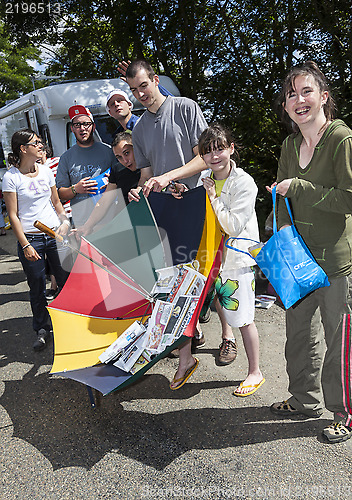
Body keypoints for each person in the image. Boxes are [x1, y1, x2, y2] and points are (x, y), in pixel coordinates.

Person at [267, 61, 352, 443]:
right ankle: (304, 400)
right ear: (286, 106)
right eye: (291, 94)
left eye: (306, 91)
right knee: (299, 334)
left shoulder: (341, 139)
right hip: (298, 261)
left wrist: (299, 188)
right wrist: (284, 237)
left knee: (340, 340)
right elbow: (283, 203)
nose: (298, 99)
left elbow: (349, 198)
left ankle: (344, 412)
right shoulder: (289, 145)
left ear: (323, 97)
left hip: (336, 261)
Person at [124, 60, 208, 388]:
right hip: (161, 206)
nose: (139, 94)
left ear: (155, 80)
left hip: (192, 203)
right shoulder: (140, 127)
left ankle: (203, 347)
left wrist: (172, 178)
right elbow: (146, 174)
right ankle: (183, 355)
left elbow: (204, 158)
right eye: (133, 90)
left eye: (143, 86)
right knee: (165, 284)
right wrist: (139, 189)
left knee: (195, 279)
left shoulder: (186, 107)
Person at [192, 123, 264, 396]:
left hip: (237, 259)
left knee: (244, 318)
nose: (214, 156)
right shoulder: (206, 178)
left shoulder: (244, 182)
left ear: (231, 148)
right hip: (213, 258)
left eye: (220, 149)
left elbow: (233, 225)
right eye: (208, 151)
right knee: (225, 309)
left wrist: (213, 197)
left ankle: (255, 372)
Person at [2, 129, 70, 351]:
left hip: (54, 235)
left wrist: (65, 221)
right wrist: (26, 244)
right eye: (36, 143)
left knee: (66, 281)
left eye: (40, 142)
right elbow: (13, 215)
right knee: (38, 287)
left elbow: (57, 202)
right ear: (23, 149)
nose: (41, 145)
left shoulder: (45, 171)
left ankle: (70, 323)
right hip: (32, 239)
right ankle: (42, 329)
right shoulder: (11, 177)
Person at [55, 104, 118, 227]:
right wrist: (75, 189)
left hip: (111, 219)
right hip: (82, 223)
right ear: (72, 129)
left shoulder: (109, 151)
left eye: (86, 124)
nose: (82, 128)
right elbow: (60, 194)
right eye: (77, 125)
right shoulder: (66, 158)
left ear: (93, 127)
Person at [77, 131, 141, 237]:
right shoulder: (117, 169)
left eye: (127, 153)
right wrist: (87, 225)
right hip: (127, 228)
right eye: (119, 157)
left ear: (135, 147)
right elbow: (105, 201)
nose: (125, 160)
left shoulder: (150, 165)